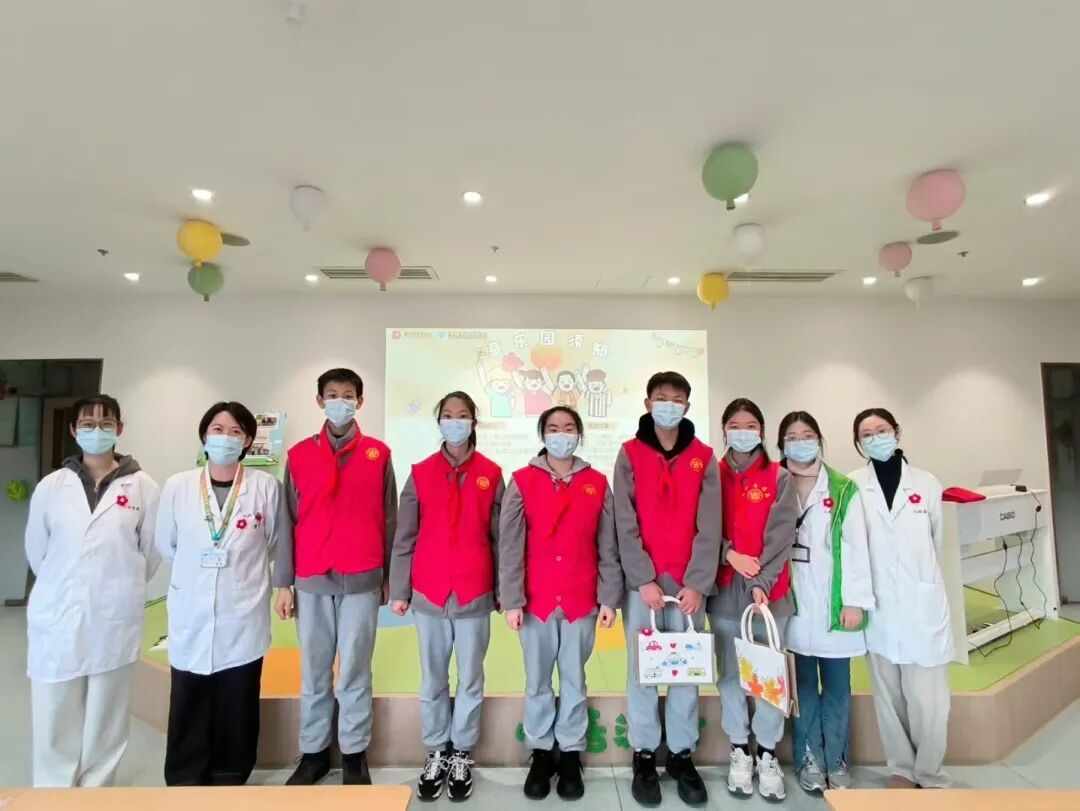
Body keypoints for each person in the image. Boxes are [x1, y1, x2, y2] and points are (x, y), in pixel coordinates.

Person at [24, 395, 161, 788]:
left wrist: (113, 585)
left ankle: (96, 790)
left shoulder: (143, 487)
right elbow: (37, 550)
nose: (96, 430)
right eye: (87, 423)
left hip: (113, 615)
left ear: (119, 429)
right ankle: (53, 790)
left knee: (107, 713)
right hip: (57, 611)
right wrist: (69, 585)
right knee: (54, 709)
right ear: (74, 430)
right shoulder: (52, 486)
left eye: (105, 423)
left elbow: (150, 553)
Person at [274, 368, 398, 785]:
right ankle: (313, 753)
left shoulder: (378, 454)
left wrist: (389, 576)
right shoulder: (298, 456)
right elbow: (287, 520)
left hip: (362, 575)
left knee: (355, 669)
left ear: (359, 402)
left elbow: (390, 518)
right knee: (314, 669)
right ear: (320, 401)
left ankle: (354, 752)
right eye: (332, 395)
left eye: (348, 395)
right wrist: (283, 583)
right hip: (311, 577)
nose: (340, 402)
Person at [500, 406, 623, 802]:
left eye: (569, 428)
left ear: (579, 435)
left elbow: (608, 547)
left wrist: (608, 598)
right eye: (553, 428)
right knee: (537, 678)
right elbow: (510, 546)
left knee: (574, 678)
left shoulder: (597, 483)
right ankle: (540, 752)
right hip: (534, 601)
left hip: (580, 599)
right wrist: (512, 599)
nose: (561, 435)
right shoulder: (522, 481)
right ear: (543, 435)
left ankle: (570, 752)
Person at [155, 401, 281, 786]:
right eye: (218, 430)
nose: (226, 438)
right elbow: (166, 543)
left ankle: (232, 774)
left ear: (247, 441)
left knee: (238, 698)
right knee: (188, 695)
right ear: (204, 436)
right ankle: (185, 775)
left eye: (235, 432)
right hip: (191, 606)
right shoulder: (178, 486)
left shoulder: (265, 487)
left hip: (242, 607)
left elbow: (274, 542)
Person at [389, 391, 504, 802]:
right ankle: (437, 749)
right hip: (430, 592)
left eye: (463, 415)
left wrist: (503, 591)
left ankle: (462, 753)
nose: (455, 422)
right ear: (439, 422)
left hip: (475, 591)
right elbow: (404, 536)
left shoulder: (492, 473)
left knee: (471, 678)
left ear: (474, 421)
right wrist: (400, 589)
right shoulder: (420, 473)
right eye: (448, 415)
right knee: (433, 678)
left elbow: (501, 539)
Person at [614, 372, 720, 808]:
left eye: (677, 400)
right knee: (643, 669)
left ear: (687, 407)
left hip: (690, 586)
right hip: (644, 587)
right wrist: (643, 578)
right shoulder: (629, 453)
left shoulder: (704, 457)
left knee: (685, 670)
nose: (669, 405)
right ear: (647, 403)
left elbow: (710, 525)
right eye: (661, 398)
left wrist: (697, 583)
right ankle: (643, 753)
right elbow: (624, 521)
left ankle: (680, 753)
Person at [849, 408, 951, 789]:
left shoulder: (926, 483)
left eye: (882, 430)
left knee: (929, 700)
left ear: (897, 431)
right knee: (888, 696)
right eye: (867, 434)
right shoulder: (854, 485)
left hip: (921, 604)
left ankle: (930, 772)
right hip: (878, 605)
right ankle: (902, 769)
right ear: (858, 443)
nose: (876, 438)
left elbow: (936, 539)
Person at [776, 411, 874, 793]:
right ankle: (809, 759)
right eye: (792, 436)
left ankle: (836, 759)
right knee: (801, 688)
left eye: (807, 435)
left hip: (835, 607)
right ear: (781, 444)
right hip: (793, 606)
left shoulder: (843, 489)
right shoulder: (774, 484)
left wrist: (854, 602)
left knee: (836, 687)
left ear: (819, 441)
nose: (800, 442)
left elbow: (856, 547)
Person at [708, 397, 798, 801]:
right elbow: (701, 528)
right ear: (724, 430)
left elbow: (782, 535)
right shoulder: (712, 473)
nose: (742, 432)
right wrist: (729, 554)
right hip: (725, 593)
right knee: (731, 676)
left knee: (769, 678)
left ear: (761, 431)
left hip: (770, 596)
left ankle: (767, 753)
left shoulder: (779, 476)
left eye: (751, 426)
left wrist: (762, 579)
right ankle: (739, 750)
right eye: (735, 425)